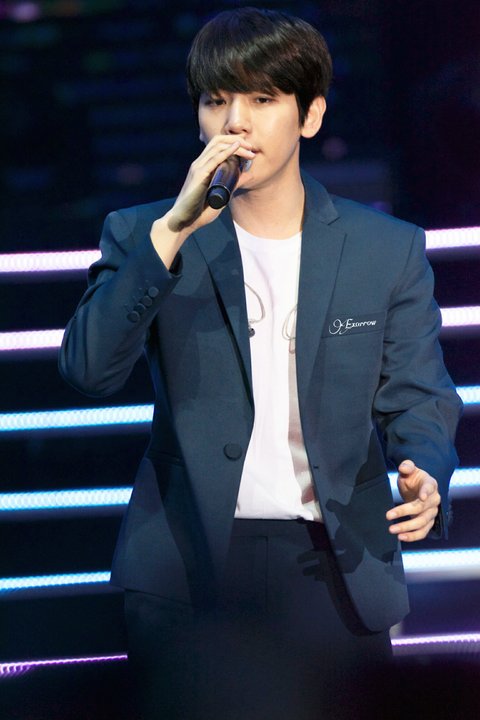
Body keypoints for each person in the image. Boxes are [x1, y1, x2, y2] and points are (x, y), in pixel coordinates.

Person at [59, 7, 462, 719]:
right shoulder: (146, 233)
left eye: (262, 99)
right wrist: (173, 232)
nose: (235, 123)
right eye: (216, 100)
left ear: (310, 115)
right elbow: (89, 370)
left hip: (336, 561)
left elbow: (418, 396)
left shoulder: (385, 248)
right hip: (188, 567)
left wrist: (425, 470)